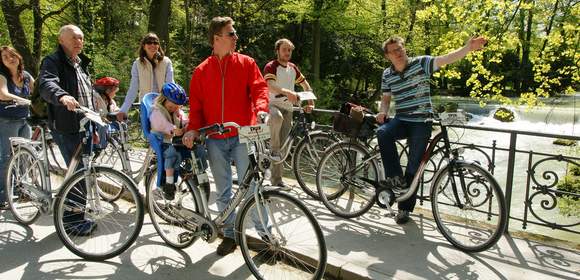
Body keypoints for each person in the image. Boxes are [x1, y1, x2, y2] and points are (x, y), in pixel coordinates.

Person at [376, 35, 487, 224]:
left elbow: (446, 58)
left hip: (422, 121)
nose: (399, 52)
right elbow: (386, 99)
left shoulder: (421, 63)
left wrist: (467, 48)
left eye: (400, 48)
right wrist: (382, 112)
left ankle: (404, 209)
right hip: (401, 118)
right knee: (383, 132)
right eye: (394, 51)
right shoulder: (387, 74)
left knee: (414, 166)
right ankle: (395, 178)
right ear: (388, 56)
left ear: (405, 49)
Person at [182, 16, 269, 256]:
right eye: (231, 34)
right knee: (223, 191)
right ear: (217, 38)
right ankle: (230, 235)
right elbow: (197, 108)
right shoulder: (201, 71)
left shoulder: (247, 62)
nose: (236, 37)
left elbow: (259, 88)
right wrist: (192, 128)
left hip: (243, 135)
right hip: (214, 139)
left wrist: (262, 109)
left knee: (252, 188)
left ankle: (266, 238)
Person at [38, 24, 97, 235]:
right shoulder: (52, 61)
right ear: (61, 39)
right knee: (78, 171)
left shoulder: (81, 63)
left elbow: (88, 92)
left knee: (84, 169)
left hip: (84, 122)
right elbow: (46, 84)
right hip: (66, 124)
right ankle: (72, 221)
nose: (78, 41)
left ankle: (77, 211)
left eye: (81, 38)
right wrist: (61, 96)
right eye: (73, 38)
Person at [263, 38, 313, 191]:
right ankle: (272, 152)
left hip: (289, 108)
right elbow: (270, 85)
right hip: (272, 105)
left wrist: (310, 100)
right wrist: (287, 92)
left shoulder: (293, 68)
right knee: (276, 124)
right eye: (284, 49)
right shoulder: (271, 66)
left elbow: (305, 84)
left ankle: (277, 180)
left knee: (284, 146)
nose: (287, 53)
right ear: (277, 50)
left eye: (289, 50)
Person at [0, 46, 33, 210]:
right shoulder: (2, 76)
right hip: (6, 121)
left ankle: (22, 191)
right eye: (5, 56)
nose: (9, 58)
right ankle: (3, 196)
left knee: (24, 157)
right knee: (6, 158)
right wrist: (25, 101)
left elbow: (38, 91)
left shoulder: (26, 76)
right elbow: (3, 94)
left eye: (12, 55)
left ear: (18, 57)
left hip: (25, 120)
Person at [117, 33, 174, 121]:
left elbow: (170, 85)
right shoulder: (137, 64)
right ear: (144, 46)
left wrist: (173, 104)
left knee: (165, 133)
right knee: (148, 134)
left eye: (155, 43)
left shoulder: (166, 62)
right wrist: (124, 109)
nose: (152, 45)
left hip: (164, 106)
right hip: (146, 107)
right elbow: (133, 88)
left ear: (158, 46)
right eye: (149, 42)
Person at [149, 83, 188, 200]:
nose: (174, 109)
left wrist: (187, 124)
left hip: (172, 141)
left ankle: (191, 173)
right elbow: (160, 123)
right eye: (171, 107)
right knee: (171, 155)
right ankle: (169, 185)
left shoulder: (175, 110)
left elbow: (183, 118)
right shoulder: (157, 111)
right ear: (163, 100)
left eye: (177, 107)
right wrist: (173, 129)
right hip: (161, 141)